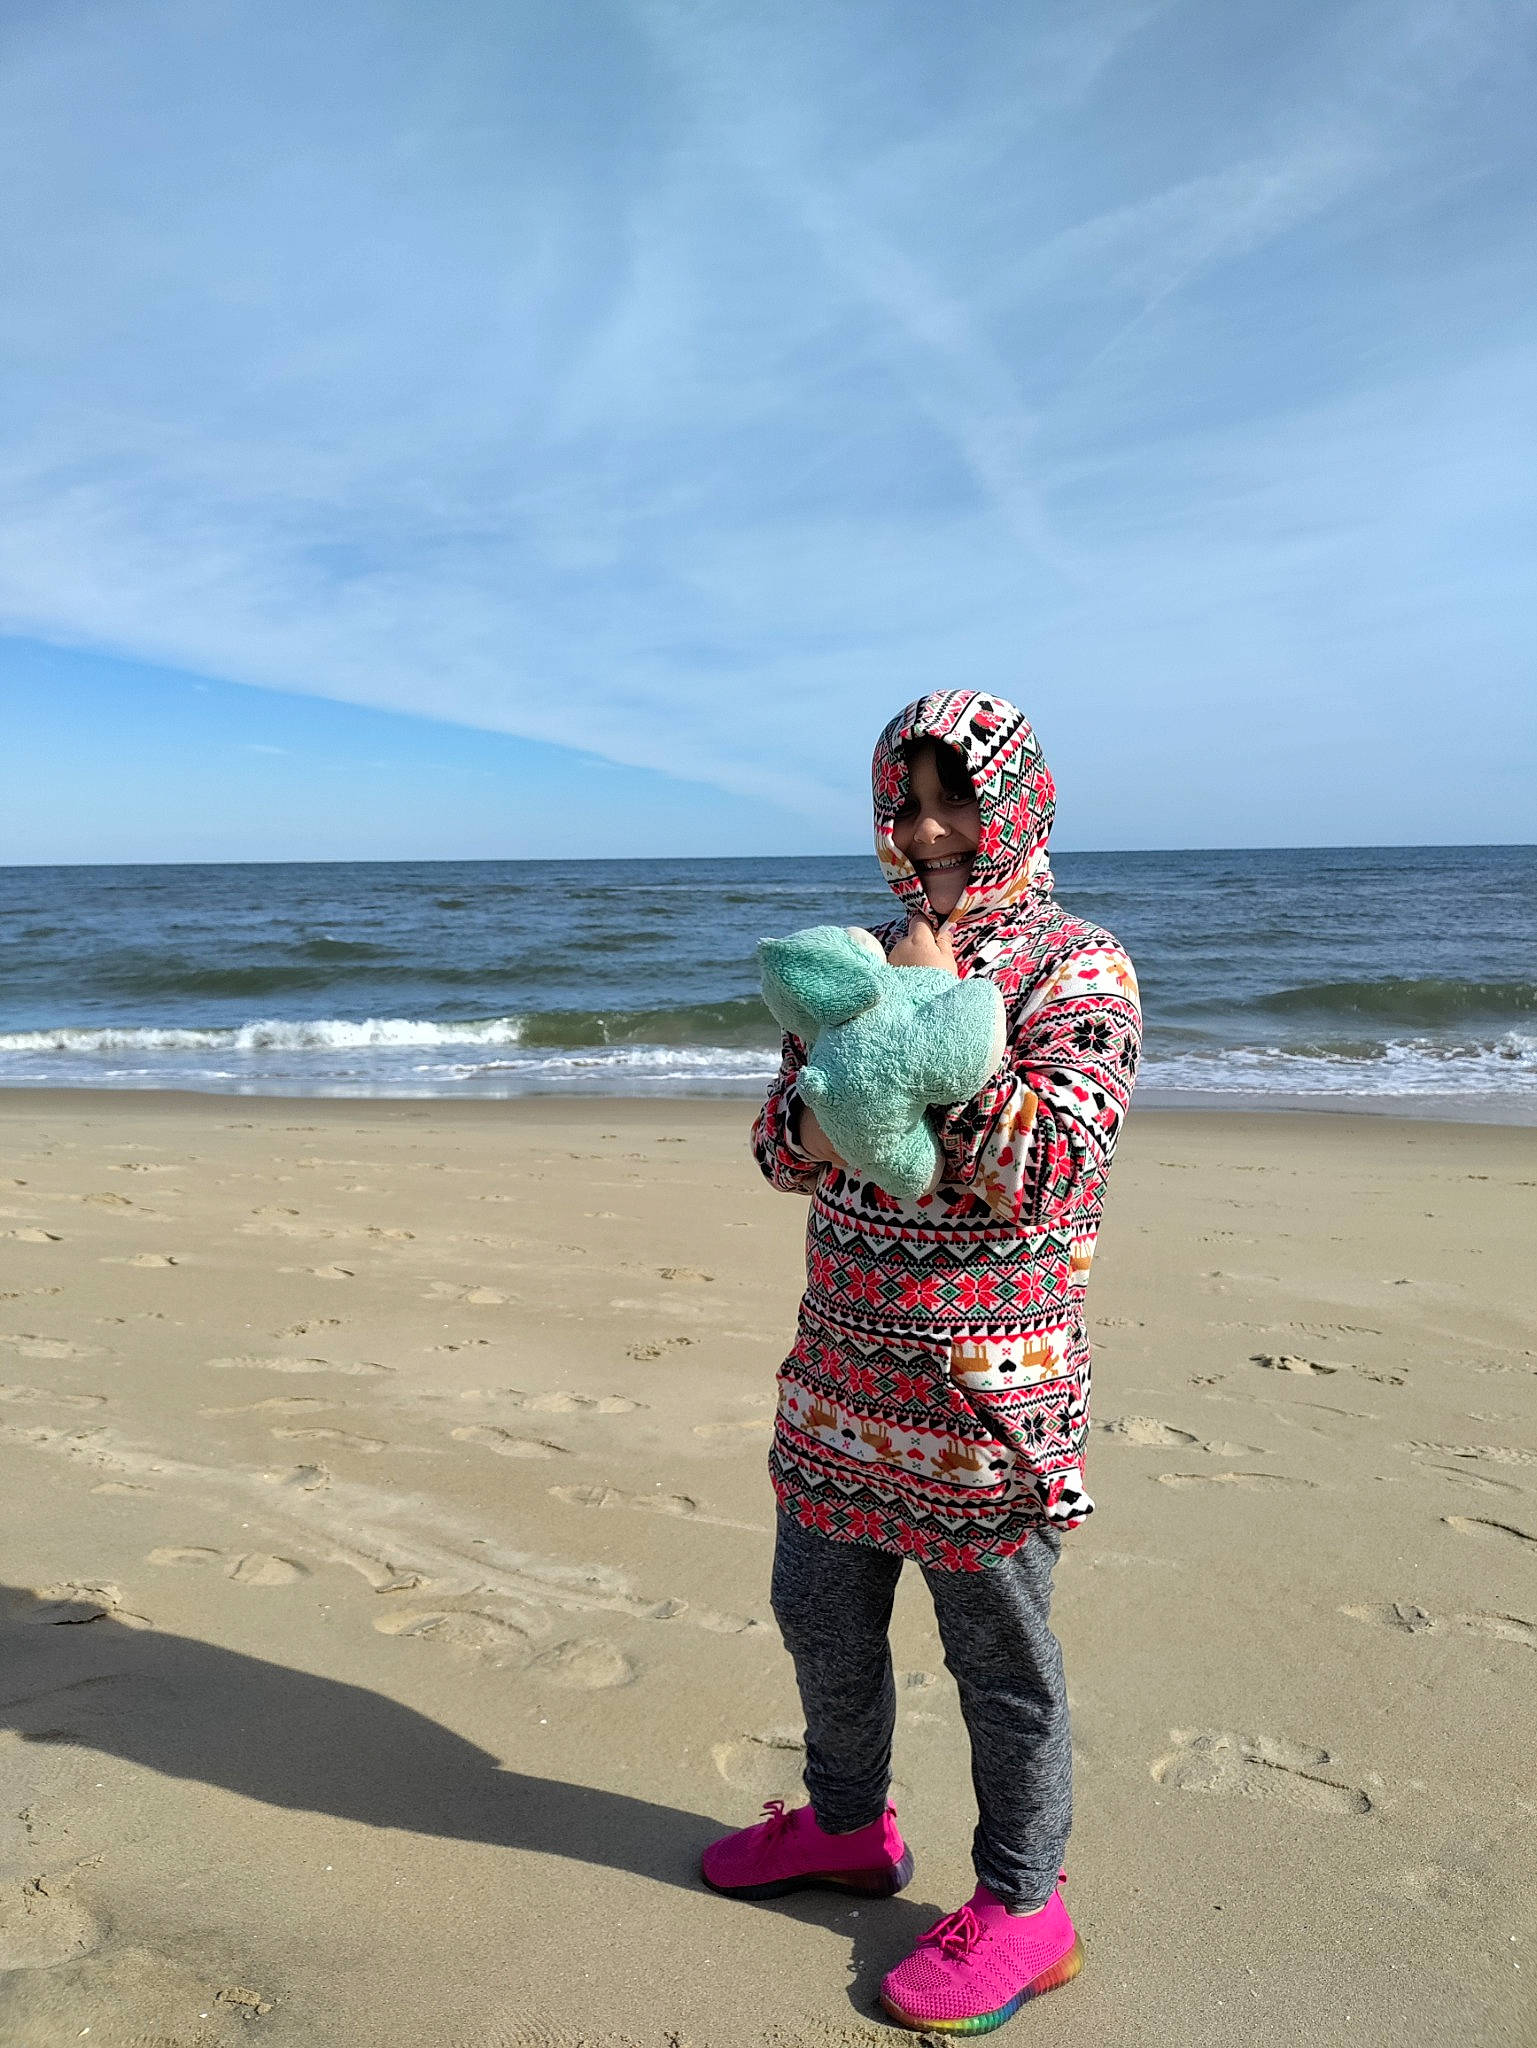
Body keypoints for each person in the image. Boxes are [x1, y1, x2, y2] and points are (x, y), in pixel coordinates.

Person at [701, 689, 1141, 2035]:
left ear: (1018, 802)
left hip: (984, 1400)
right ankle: (844, 1826)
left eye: (957, 798)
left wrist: (943, 1017)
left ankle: (1024, 1904)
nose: (931, 828)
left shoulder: (1081, 965)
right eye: (905, 801)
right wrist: (879, 1020)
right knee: (816, 1616)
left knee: (999, 1662)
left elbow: (1052, 1168)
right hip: (841, 1373)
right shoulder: (852, 956)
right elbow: (784, 1147)